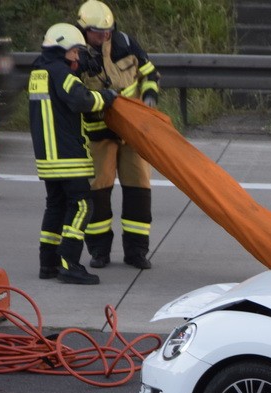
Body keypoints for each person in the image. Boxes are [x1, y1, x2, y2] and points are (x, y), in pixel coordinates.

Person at [76, 0, 161, 270]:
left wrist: (149, 97)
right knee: (98, 193)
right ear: (84, 30)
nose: (104, 37)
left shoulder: (126, 44)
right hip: (99, 134)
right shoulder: (76, 55)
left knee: (138, 189)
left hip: (132, 134)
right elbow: (74, 96)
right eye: (98, 33)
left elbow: (149, 73)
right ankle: (99, 251)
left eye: (108, 32)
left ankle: (136, 252)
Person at [29, 23, 117, 285]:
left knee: (55, 206)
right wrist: (106, 97)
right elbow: (81, 101)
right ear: (64, 49)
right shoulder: (60, 72)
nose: (78, 56)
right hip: (67, 156)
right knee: (81, 206)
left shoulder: (38, 72)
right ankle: (70, 264)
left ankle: (48, 264)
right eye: (76, 51)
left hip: (47, 158)